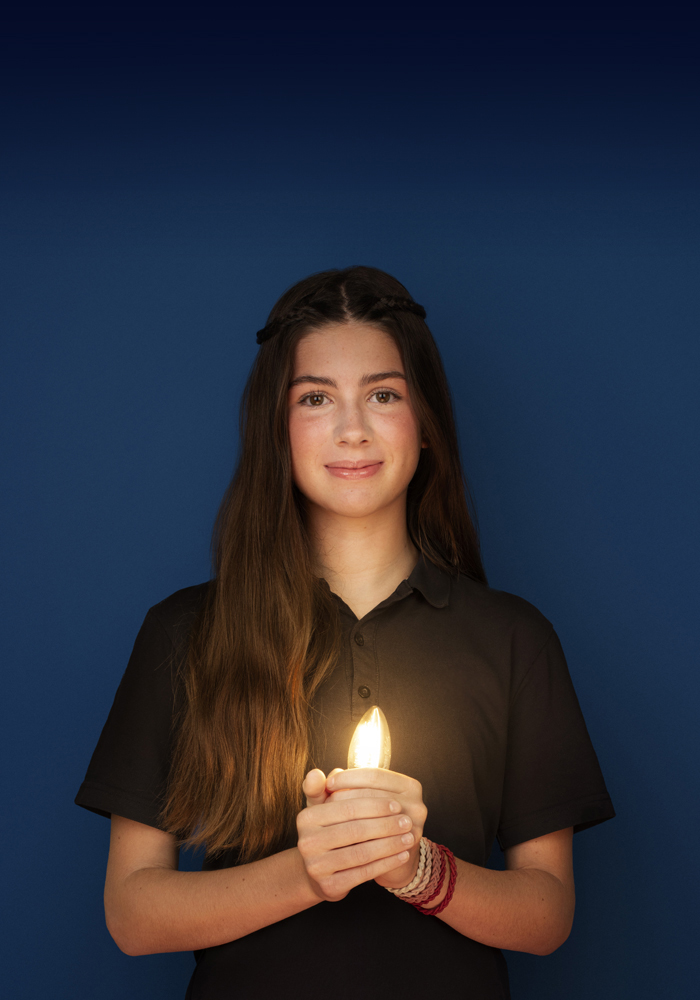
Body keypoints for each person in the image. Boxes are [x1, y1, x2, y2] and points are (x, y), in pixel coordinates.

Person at [76, 265, 615, 999]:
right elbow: (133, 915)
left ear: (425, 424)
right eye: (316, 398)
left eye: (384, 394)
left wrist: (415, 868)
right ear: (276, 427)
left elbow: (548, 914)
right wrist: (310, 871)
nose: (352, 428)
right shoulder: (185, 633)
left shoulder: (514, 639)